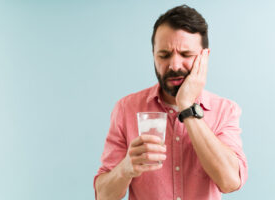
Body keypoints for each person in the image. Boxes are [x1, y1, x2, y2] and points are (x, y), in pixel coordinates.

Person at [94, 4, 248, 200]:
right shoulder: (126, 109)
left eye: (186, 55)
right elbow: (103, 195)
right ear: (153, 56)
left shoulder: (225, 110)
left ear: (204, 57)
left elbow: (230, 182)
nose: (174, 65)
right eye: (164, 55)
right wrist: (126, 168)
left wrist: (187, 106)